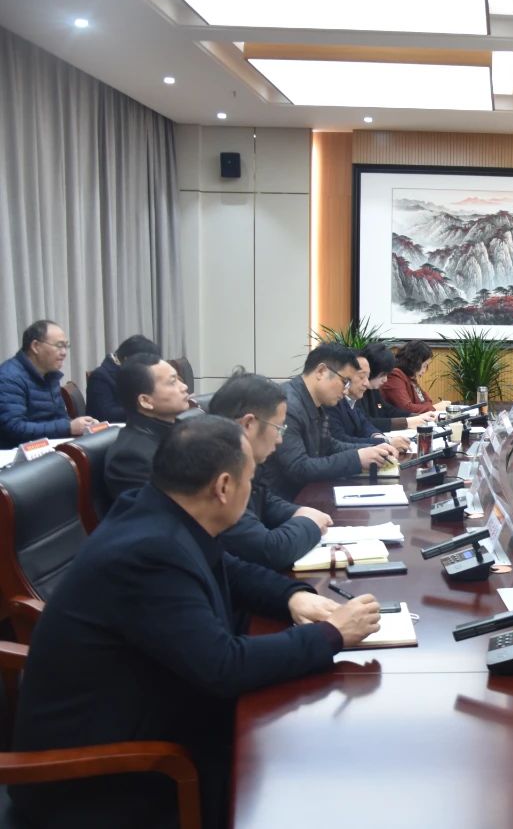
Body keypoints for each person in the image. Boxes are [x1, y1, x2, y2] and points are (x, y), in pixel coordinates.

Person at [10, 416, 381, 829]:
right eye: (250, 480)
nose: (252, 489)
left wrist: (292, 596)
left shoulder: (160, 510)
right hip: (98, 779)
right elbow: (223, 667)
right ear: (223, 487)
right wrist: (331, 634)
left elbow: (231, 570)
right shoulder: (149, 552)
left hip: (148, 714)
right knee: (299, 776)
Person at [209, 370, 334, 570]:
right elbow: (269, 550)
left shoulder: (240, 461)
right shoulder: (216, 473)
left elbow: (264, 498)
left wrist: (298, 511)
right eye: (278, 428)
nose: (280, 439)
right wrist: (309, 524)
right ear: (248, 424)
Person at [260, 343, 398, 500]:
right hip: (283, 500)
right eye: (345, 381)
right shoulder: (287, 405)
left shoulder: (314, 402)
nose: (346, 390)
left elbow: (329, 445)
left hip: (306, 494)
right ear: (321, 371)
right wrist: (357, 459)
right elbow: (298, 468)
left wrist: (371, 449)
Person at [103, 353, 192, 499]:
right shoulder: (130, 458)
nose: (184, 387)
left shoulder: (184, 430)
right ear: (145, 401)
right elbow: (156, 509)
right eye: (172, 382)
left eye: (179, 379)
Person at [0, 319, 97, 448]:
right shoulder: (9, 377)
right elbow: (15, 428)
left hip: (48, 448)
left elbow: (59, 419)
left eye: (66, 346)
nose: (64, 353)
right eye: (59, 346)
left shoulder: (49, 375)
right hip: (17, 454)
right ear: (35, 346)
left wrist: (81, 426)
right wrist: (68, 427)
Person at [327, 353, 413, 451]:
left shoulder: (351, 400)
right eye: (361, 377)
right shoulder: (331, 402)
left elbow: (365, 424)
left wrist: (380, 438)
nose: (367, 383)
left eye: (367, 377)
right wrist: (386, 442)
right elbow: (341, 441)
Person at [358, 342, 436, 433]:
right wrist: (407, 422)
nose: (385, 380)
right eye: (383, 375)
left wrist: (416, 417)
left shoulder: (373, 389)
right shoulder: (356, 391)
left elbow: (388, 410)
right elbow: (364, 422)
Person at [85, 333, 160, 423]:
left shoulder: (131, 373)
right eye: (144, 364)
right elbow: (107, 414)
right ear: (127, 359)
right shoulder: (100, 377)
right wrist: (143, 408)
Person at [381, 340, 449, 414]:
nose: (424, 371)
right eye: (424, 365)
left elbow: (427, 401)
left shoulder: (410, 377)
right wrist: (434, 408)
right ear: (415, 362)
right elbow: (406, 408)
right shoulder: (395, 375)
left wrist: (429, 407)